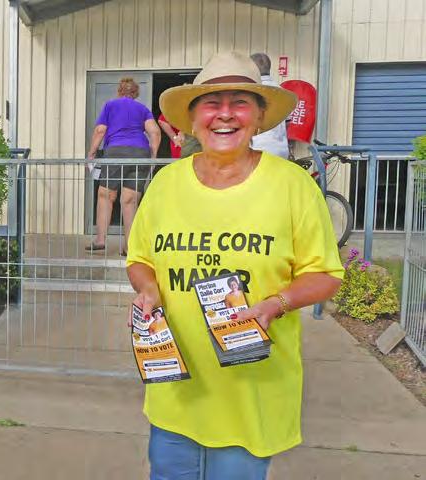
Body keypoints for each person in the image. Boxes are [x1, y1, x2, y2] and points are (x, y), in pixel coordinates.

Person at [126, 51, 343, 479]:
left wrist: (276, 304)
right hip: (177, 392)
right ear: (193, 119)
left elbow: (325, 274)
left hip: (252, 394)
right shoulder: (166, 183)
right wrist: (148, 288)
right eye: (211, 103)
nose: (224, 114)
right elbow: (140, 259)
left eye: (240, 102)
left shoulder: (292, 185)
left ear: (259, 117)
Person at [85, 77, 161, 255]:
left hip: (116, 152)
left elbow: (100, 130)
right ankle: (129, 246)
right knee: (130, 200)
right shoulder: (142, 109)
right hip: (140, 153)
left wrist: (91, 152)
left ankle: (100, 240)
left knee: (106, 195)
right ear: (136, 93)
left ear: (119, 91)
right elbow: (155, 132)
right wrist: (152, 157)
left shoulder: (110, 105)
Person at [249, 53, 290, 159]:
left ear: (252, 67)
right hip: (281, 150)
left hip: (257, 149)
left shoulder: (251, 92)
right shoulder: (282, 91)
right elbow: (288, 122)